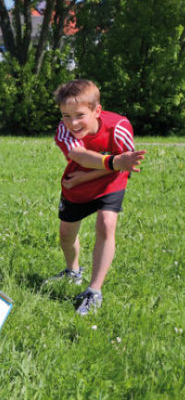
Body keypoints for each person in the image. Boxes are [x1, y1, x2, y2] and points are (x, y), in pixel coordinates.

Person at [48, 79, 146, 315]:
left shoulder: (120, 127)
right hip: (76, 184)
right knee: (65, 235)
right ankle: (73, 271)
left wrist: (111, 166)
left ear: (97, 110)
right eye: (65, 115)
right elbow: (80, 156)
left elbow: (125, 166)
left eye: (79, 115)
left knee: (106, 224)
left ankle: (94, 290)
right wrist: (98, 170)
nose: (72, 123)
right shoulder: (64, 131)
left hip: (110, 182)